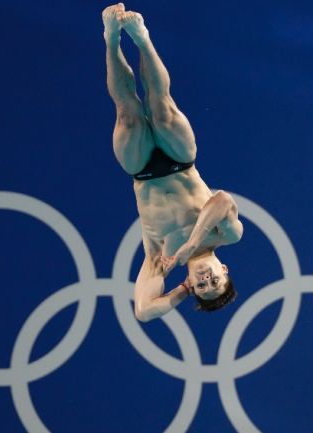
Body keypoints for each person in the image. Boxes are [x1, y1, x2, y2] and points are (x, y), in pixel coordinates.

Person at [103, 3, 243, 322]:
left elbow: (144, 312)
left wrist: (181, 289)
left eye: (203, 286)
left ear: (193, 284)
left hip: (143, 170)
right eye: (215, 280)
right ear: (224, 268)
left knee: (128, 113)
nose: (207, 279)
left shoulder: (158, 260)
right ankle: (142, 38)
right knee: (161, 108)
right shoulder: (228, 235)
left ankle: (111, 38)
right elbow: (222, 199)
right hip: (181, 160)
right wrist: (191, 244)